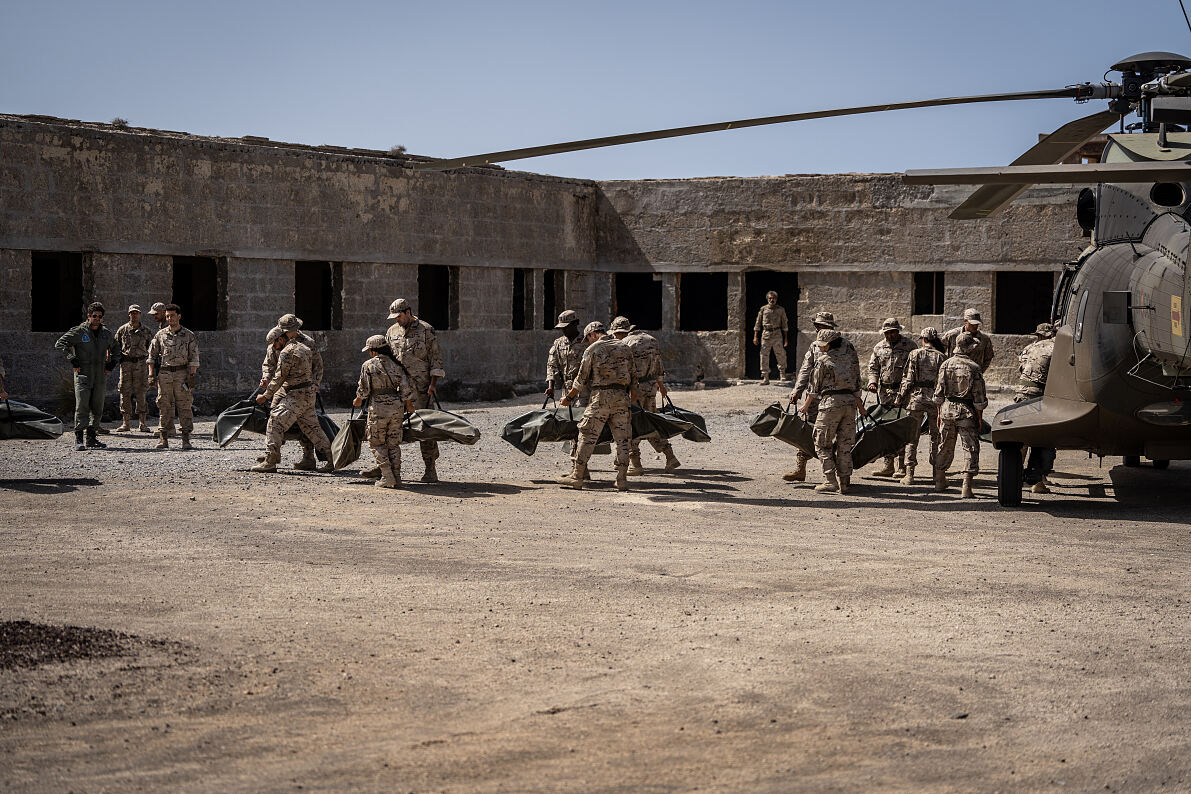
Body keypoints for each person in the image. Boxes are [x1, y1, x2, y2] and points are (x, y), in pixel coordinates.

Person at [557, 321, 638, 491]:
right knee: (623, 439)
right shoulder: (625, 348)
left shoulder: (592, 349)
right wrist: (632, 401)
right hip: (622, 397)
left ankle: (577, 477)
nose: (588, 342)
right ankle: (621, 479)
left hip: (600, 397)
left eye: (588, 338)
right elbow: (634, 378)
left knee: (587, 435)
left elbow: (581, 379)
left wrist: (569, 398)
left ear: (592, 333)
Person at [251, 326, 333, 473]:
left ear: (281, 339)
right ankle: (331, 460)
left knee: (275, 422)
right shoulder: (303, 348)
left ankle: (270, 461)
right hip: (307, 394)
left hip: (295, 395)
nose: (274, 348)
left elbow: (279, 377)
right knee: (313, 428)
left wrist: (265, 396)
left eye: (275, 344)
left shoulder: (286, 353)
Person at [385, 298, 446, 483]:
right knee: (390, 427)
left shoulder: (426, 330)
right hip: (397, 389)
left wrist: (433, 384)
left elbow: (436, 359)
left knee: (425, 429)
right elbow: (387, 358)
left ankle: (430, 468)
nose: (397, 320)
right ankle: (388, 469)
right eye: (394, 317)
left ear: (408, 312)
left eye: (399, 316)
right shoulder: (391, 332)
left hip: (421, 389)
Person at [610, 315, 680, 474]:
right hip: (651, 387)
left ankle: (635, 464)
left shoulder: (626, 343)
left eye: (615, 334)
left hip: (636, 389)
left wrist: (627, 390)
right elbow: (659, 365)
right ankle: (670, 456)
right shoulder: (652, 340)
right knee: (650, 422)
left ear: (622, 332)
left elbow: (624, 369)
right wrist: (661, 385)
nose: (614, 337)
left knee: (633, 424)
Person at [785, 311, 849, 482]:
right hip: (814, 398)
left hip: (837, 397)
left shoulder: (845, 345)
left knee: (838, 436)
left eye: (819, 326)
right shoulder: (815, 346)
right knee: (808, 430)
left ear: (829, 327)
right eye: (816, 326)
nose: (816, 329)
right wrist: (797, 390)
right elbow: (806, 369)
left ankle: (838, 475)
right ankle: (801, 469)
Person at [800, 329, 865, 494]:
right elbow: (857, 386)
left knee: (821, 442)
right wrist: (861, 407)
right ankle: (844, 481)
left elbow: (813, 390)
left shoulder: (823, 361)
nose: (821, 348)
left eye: (823, 345)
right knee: (845, 444)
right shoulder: (850, 360)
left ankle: (830, 480)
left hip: (830, 404)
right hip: (850, 404)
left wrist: (806, 406)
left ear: (830, 344)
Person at [55, 302, 121, 451]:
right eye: (94, 316)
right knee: (82, 406)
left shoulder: (106, 334)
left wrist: (112, 363)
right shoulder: (79, 332)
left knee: (97, 407)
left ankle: (92, 437)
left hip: (99, 375)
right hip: (83, 374)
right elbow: (60, 343)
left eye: (99, 316)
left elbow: (117, 348)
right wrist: (72, 358)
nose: (97, 319)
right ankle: (79, 439)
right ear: (88, 316)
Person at [353, 335, 415, 488]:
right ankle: (397, 477)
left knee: (376, 442)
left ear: (374, 351)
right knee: (393, 443)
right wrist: (408, 405)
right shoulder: (397, 365)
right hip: (396, 408)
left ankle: (387, 477)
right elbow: (406, 390)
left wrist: (358, 400)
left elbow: (364, 390)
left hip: (379, 408)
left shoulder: (369, 365)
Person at [933, 332, 988, 497]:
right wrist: (979, 417)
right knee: (970, 447)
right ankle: (966, 486)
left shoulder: (946, 364)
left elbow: (938, 393)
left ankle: (940, 480)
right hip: (966, 411)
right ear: (969, 348)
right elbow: (979, 396)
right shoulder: (974, 367)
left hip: (946, 409)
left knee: (944, 445)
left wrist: (938, 413)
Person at [866, 318, 917, 477]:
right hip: (885, 394)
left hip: (904, 394)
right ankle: (888, 465)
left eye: (893, 332)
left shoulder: (910, 346)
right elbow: (873, 368)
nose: (891, 335)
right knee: (885, 427)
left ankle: (902, 466)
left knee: (901, 427)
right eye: (888, 333)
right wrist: (872, 382)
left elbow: (914, 370)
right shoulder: (878, 347)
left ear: (898, 331)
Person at [146, 303, 199, 451]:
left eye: (172, 316)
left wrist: (192, 376)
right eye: (168, 316)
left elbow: (193, 357)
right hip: (164, 374)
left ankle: (186, 439)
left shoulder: (189, 335)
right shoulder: (160, 335)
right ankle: (164, 438)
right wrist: (151, 375)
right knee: (164, 405)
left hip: (182, 374)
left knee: (185, 405)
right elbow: (152, 356)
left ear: (179, 316)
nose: (170, 318)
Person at [896, 327, 945, 486]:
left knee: (912, 436)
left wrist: (899, 397)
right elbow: (943, 382)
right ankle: (936, 475)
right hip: (934, 400)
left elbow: (908, 379)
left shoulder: (914, 354)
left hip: (916, 399)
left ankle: (909, 474)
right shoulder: (941, 357)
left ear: (923, 338)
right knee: (936, 437)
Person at [1017, 322, 1057, 494]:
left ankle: (1014, 477)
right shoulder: (1056, 348)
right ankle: (1038, 481)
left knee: (1021, 438)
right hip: (1042, 394)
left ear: (1039, 335)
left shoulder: (1028, 349)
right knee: (1043, 438)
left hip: (1022, 392)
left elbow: (1022, 368)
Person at [545, 309, 587, 470]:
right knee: (570, 426)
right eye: (561, 327)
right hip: (566, 390)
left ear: (575, 324)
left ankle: (579, 465)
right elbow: (552, 364)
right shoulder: (558, 343)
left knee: (581, 425)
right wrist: (551, 386)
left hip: (584, 390)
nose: (563, 330)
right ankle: (578, 465)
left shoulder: (586, 341)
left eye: (567, 326)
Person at [114, 304, 154, 432]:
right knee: (124, 392)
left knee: (141, 392)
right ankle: (126, 423)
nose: (134, 315)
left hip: (141, 364)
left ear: (140, 314)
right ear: (128, 314)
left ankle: (142, 423)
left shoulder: (146, 331)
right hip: (126, 364)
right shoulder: (122, 330)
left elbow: (151, 348)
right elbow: (116, 346)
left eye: (136, 312)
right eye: (132, 313)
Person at [753, 291, 789, 384]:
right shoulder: (763, 309)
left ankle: (782, 373)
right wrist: (755, 337)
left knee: (780, 354)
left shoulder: (781, 310)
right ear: (767, 299)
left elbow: (784, 324)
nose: (771, 300)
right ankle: (765, 377)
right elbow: (758, 323)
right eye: (770, 298)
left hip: (777, 333)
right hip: (766, 334)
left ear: (776, 299)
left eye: (773, 298)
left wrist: (786, 339)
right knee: (764, 355)